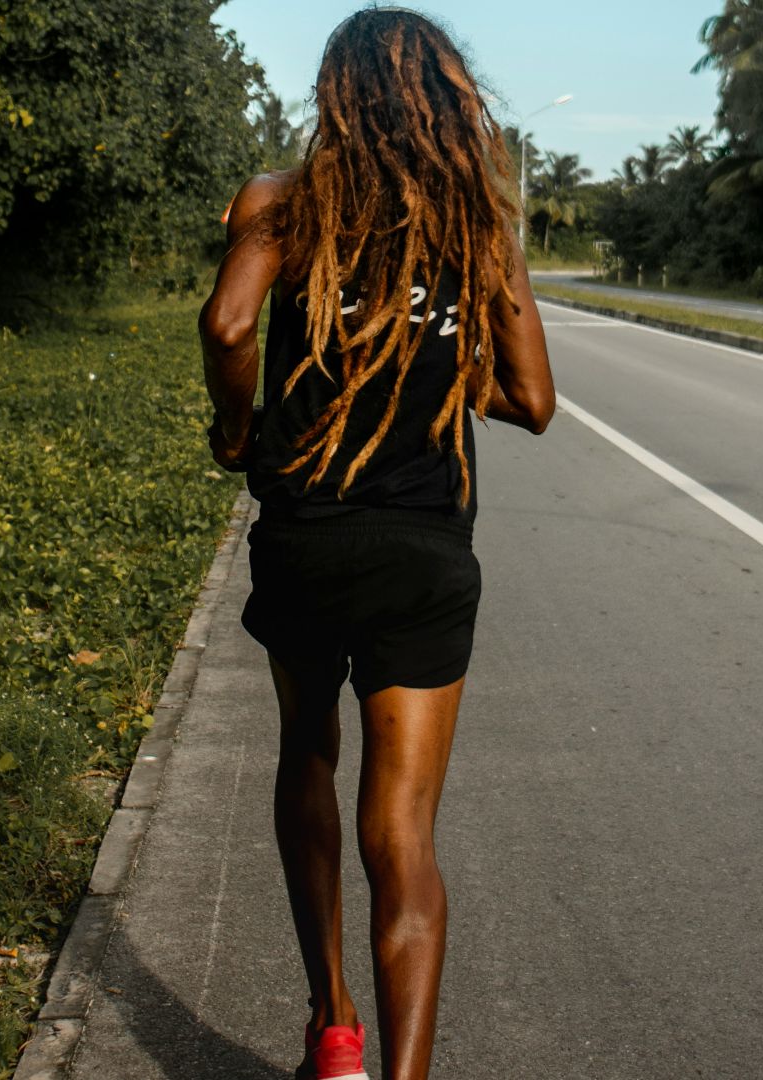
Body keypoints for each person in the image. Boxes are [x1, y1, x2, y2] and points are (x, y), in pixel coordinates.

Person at [198, 8, 554, 1080]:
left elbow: (226, 326)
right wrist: (430, 362)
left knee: (306, 751)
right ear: (445, 103)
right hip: (423, 554)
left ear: (336, 96)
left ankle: (334, 1032)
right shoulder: (475, 229)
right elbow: (534, 400)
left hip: (306, 538)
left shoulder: (281, 205)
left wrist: (235, 430)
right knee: (402, 835)